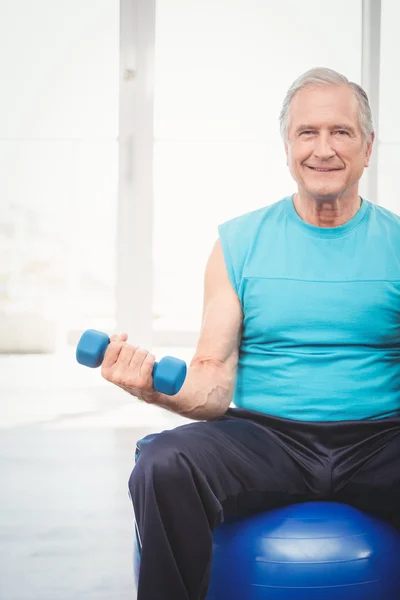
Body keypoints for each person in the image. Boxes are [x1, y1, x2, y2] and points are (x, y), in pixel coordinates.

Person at [101, 67, 400, 600]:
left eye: (341, 132)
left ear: (368, 146)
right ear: (287, 146)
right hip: (266, 438)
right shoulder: (238, 243)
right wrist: (149, 386)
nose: (323, 149)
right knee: (164, 464)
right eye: (307, 133)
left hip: (379, 437)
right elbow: (213, 383)